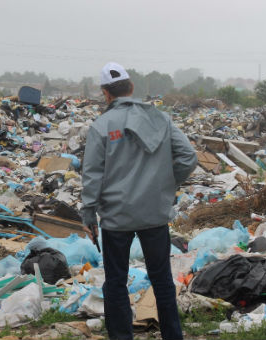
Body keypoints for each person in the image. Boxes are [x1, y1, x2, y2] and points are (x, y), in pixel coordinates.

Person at [81, 62, 197, 340]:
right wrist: (165, 186)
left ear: (106, 94)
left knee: (116, 283)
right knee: (162, 281)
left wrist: (88, 214)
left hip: (116, 217)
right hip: (154, 215)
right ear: (131, 88)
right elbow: (188, 158)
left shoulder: (102, 126)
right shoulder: (161, 119)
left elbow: (92, 174)